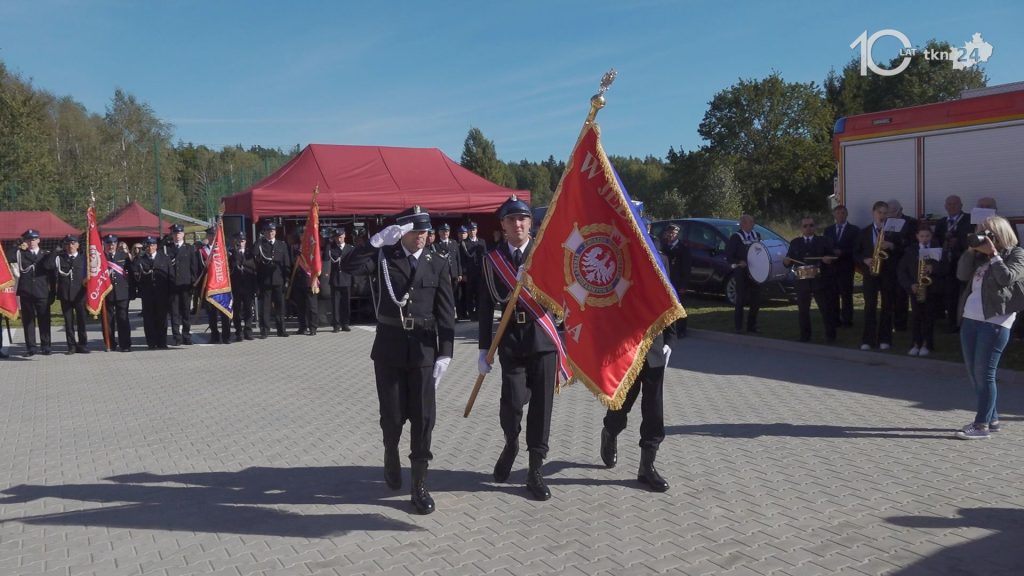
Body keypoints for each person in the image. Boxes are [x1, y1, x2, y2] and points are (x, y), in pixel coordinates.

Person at [366, 206, 455, 515]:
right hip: (389, 348)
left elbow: (446, 311)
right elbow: (350, 268)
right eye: (416, 231)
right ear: (403, 232)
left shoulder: (437, 262)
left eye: (425, 231)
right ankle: (390, 450)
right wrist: (374, 242)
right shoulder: (383, 258)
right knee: (392, 416)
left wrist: (446, 352)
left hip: (423, 350)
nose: (422, 236)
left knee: (423, 417)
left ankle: (419, 485)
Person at [478, 195, 559, 501]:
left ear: (530, 222)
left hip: (542, 338)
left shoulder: (545, 254)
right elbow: (485, 306)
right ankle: (511, 442)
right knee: (511, 402)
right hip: (510, 339)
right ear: (503, 225)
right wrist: (483, 349)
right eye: (511, 219)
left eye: (523, 218)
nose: (518, 224)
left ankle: (535, 469)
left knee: (541, 406)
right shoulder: (491, 260)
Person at [600, 239, 677, 492]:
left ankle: (647, 466)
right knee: (622, 403)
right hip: (626, 346)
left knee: (654, 409)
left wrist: (670, 339)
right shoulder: (619, 258)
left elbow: (670, 299)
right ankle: (610, 432)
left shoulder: (660, 259)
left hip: (654, 343)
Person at [954, 215, 1024, 439]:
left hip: (995, 321)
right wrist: (970, 250)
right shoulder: (979, 258)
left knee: (985, 374)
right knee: (974, 373)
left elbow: (1006, 278)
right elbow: (961, 274)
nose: (981, 236)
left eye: (985, 232)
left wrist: (994, 254)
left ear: (998, 233)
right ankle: (991, 419)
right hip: (970, 318)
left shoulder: (1016, 254)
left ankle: (981, 426)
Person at [854, 201, 902, 351]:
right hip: (870, 272)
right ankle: (868, 339)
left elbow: (903, 250)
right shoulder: (864, 232)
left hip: (888, 273)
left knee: (887, 305)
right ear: (873, 213)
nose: (882, 216)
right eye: (879, 212)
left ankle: (885, 339)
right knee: (870, 305)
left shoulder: (893, 231)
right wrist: (865, 260)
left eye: (885, 213)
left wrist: (892, 245)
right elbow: (855, 253)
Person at [784, 217, 838, 343]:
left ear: (815, 227)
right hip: (802, 281)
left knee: (825, 308)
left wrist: (828, 259)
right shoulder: (795, 242)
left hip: (819, 280)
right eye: (805, 226)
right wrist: (786, 261)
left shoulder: (823, 241)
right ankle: (805, 336)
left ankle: (831, 336)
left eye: (811, 225)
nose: (808, 228)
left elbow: (832, 256)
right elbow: (789, 260)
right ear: (801, 228)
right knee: (803, 310)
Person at [898, 223, 945, 357]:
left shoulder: (937, 249)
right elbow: (902, 270)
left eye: (927, 236)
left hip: (932, 289)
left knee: (928, 317)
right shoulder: (910, 250)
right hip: (916, 288)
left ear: (931, 236)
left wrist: (933, 268)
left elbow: (946, 268)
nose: (925, 239)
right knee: (916, 317)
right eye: (922, 236)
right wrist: (910, 285)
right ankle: (915, 343)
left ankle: (926, 344)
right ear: (917, 236)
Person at [933, 195, 971, 333]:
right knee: (949, 293)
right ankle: (950, 322)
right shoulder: (941, 222)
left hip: (962, 261)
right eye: (949, 204)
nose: (952, 206)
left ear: (961, 205)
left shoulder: (969, 220)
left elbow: (972, 239)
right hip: (946, 264)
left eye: (955, 204)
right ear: (945, 206)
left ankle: (963, 322)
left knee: (963, 293)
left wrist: (958, 242)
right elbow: (936, 240)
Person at [15, 229, 55, 356]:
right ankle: (31, 348)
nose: (31, 242)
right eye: (28, 240)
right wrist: (17, 246)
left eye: (33, 239)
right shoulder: (20, 254)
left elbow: (52, 276)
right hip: (26, 292)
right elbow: (8, 257)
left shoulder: (46, 254)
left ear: (38, 240)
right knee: (28, 321)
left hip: (42, 292)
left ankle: (46, 346)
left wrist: (52, 292)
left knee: (44, 319)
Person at [823, 205, 859, 328]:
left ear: (846, 214)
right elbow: (825, 247)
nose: (840, 215)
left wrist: (842, 252)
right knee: (833, 294)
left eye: (843, 213)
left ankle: (847, 320)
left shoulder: (854, 230)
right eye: (838, 213)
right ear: (834, 215)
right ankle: (835, 319)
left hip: (846, 267)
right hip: (832, 267)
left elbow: (856, 249)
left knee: (846, 294)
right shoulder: (828, 230)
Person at [254, 221, 292, 338]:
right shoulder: (261, 244)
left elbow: (286, 263)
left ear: (275, 232)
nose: (270, 233)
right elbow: (254, 253)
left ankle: (281, 330)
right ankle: (265, 331)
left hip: (278, 280)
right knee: (265, 308)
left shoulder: (282, 245)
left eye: (272, 231)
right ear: (264, 232)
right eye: (268, 231)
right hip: (265, 281)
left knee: (280, 307)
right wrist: (258, 240)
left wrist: (287, 279)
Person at [725, 215, 762, 333]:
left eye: (753, 222)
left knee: (755, 300)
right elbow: (729, 256)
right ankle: (739, 327)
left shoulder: (757, 236)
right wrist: (739, 262)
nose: (753, 224)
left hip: (755, 272)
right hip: (741, 273)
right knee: (741, 299)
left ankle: (752, 326)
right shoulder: (736, 237)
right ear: (743, 224)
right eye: (751, 222)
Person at [54, 235, 89, 354]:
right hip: (66, 295)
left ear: (78, 245)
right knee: (68, 323)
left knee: (82, 321)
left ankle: (83, 344)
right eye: (68, 244)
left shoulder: (84, 259)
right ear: (64, 246)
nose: (70, 246)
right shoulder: (60, 258)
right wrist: (55, 252)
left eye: (73, 243)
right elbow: (48, 266)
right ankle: (71, 346)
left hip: (80, 295)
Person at [163, 224, 197, 345]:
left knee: (186, 312)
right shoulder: (167, 249)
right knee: (174, 313)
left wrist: (193, 283)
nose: (177, 235)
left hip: (185, 285)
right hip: (172, 286)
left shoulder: (189, 248)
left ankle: (186, 336)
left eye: (179, 233)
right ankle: (177, 337)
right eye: (175, 233)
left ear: (183, 234)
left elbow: (193, 267)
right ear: (172, 235)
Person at [134, 236, 170, 349]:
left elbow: (170, 276)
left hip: (162, 293)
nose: (150, 248)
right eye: (148, 246)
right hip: (147, 294)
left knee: (162, 318)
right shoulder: (141, 259)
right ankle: (151, 342)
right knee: (149, 319)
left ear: (156, 246)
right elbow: (136, 277)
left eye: (153, 245)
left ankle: (162, 342)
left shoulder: (164, 258)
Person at [197, 226, 231, 344]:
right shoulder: (202, 251)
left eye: (214, 235)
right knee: (212, 315)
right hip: (210, 287)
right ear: (207, 236)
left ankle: (226, 336)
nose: (212, 237)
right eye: (210, 235)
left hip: (222, 286)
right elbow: (200, 268)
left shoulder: (223, 250)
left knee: (225, 312)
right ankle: (214, 336)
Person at [887, 200, 917, 332]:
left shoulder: (911, 223)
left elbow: (912, 244)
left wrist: (894, 246)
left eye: (893, 211)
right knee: (890, 293)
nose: (891, 214)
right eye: (888, 212)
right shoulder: (886, 222)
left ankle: (900, 324)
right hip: (889, 263)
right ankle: (890, 321)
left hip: (904, 262)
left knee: (901, 294)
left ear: (900, 210)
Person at [103, 235, 133, 352]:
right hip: (106, 292)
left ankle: (125, 344)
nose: (111, 246)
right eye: (108, 243)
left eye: (113, 243)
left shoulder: (123, 256)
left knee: (123, 319)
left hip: (122, 291)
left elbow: (130, 273)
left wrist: (132, 291)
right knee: (108, 320)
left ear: (116, 244)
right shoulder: (100, 257)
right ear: (104, 244)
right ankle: (110, 343)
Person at [660, 224, 690, 337]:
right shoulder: (664, 247)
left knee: (679, 305)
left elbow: (686, 268)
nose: (671, 235)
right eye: (670, 233)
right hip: (667, 280)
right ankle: (668, 329)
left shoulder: (683, 249)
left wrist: (684, 285)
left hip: (678, 282)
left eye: (674, 233)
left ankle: (681, 330)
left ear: (678, 235)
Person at [325, 228, 356, 332]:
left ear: (344, 236)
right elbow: (326, 258)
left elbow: (353, 265)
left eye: (340, 237)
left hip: (346, 279)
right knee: (335, 304)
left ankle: (345, 323)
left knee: (346, 303)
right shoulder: (331, 249)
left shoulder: (350, 248)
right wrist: (327, 244)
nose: (339, 239)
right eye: (337, 237)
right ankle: (336, 325)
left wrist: (354, 281)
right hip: (335, 279)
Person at [229, 232, 257, 341]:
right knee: (236, 311)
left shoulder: (250, 253)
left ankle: (248, 331)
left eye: (243, 241)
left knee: (248, 310)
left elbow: (254, 269)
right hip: (236, 286)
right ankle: (238, 332)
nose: (241, 243)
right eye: (239, 241)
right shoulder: (231, 253)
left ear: (245, 241)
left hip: (248, 286)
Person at [431, 223, 462, 318]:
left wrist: (460, 273)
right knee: (446, 295)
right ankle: (448, 314)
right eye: (443, 231)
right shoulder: (436, 245)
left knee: (456, 295)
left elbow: (458, 259)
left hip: (454, 273)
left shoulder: (454, 243)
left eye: (447, 231)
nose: (445, 233)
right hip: (444, 275)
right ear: (439, 233)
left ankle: (458, 315)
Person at [460, 222, 486, 321]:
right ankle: (471, 314)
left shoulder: (482, 242)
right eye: (470, 230)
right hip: (469, 273)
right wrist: (464, 273)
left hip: (480, 272)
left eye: (474, 229)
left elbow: (485, 257)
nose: (472, 232)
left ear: (477, 230)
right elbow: (462, 259)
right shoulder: (464, 243)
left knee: (480, 293)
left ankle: (479, 313)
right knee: (469, 294)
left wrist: (485, 271)